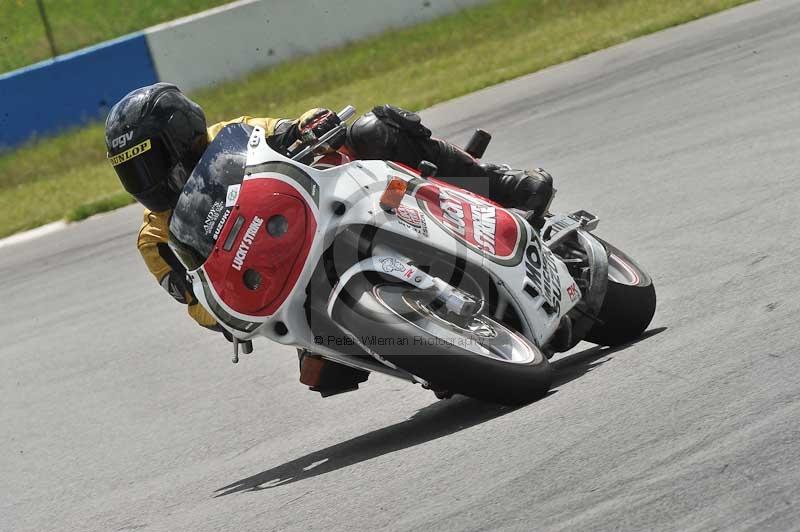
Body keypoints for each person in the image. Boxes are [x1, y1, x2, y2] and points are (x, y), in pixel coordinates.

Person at [105, 83, 554, 394]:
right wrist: (219, 314)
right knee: (323, 375)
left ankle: (496, 184)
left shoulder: (229, 135)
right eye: (132, 171)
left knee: (374, 129)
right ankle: (433, 349)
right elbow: (196, 305)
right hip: (289, 293)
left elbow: (285, 130)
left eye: (152, 160)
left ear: (182, 135)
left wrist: (310, 125)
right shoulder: (155, 238)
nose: (146, 180)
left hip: (323, 212)